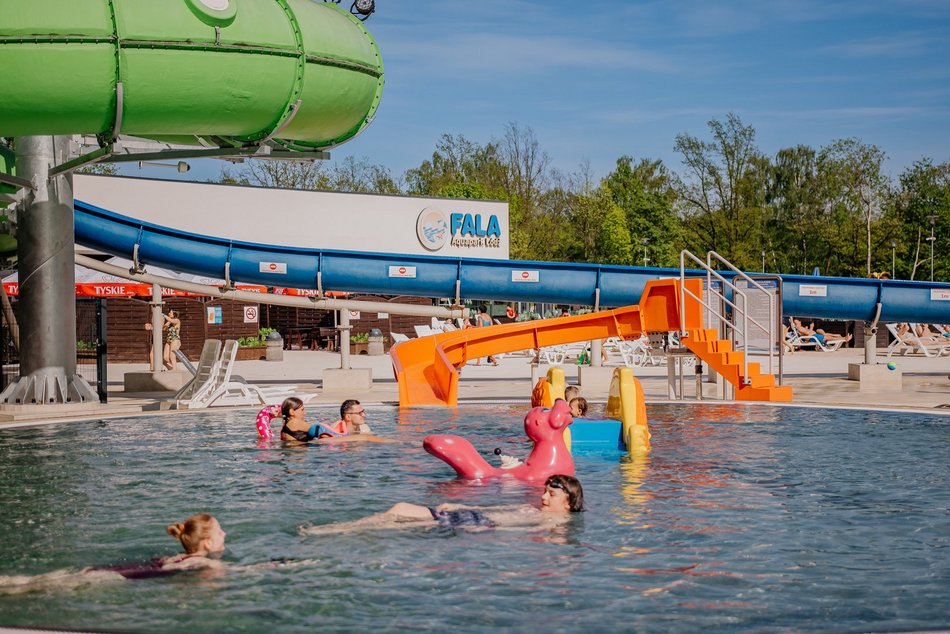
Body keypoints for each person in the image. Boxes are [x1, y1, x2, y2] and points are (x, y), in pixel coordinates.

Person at [0, 513, 226, 592]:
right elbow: (244, 572)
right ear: (206, 543)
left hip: (107, 571)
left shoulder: (179, 556)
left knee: (30, 582)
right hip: (114, 578)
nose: (224, 534)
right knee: (31, 590)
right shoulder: (207, 564)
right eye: (219, 531)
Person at [299, 474, 584, 535]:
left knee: (403, 522)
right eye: (545, 491)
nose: (544, 497)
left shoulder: (556, 523)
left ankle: (330, 533)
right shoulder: (539, 511)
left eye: (552, 495)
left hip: (477, 525)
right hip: (472, 516)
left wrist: (485, 532)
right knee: (399, 508)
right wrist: (458, 505)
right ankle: (338, 528)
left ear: (569, 503)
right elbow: (501, 511)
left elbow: (516, 532)